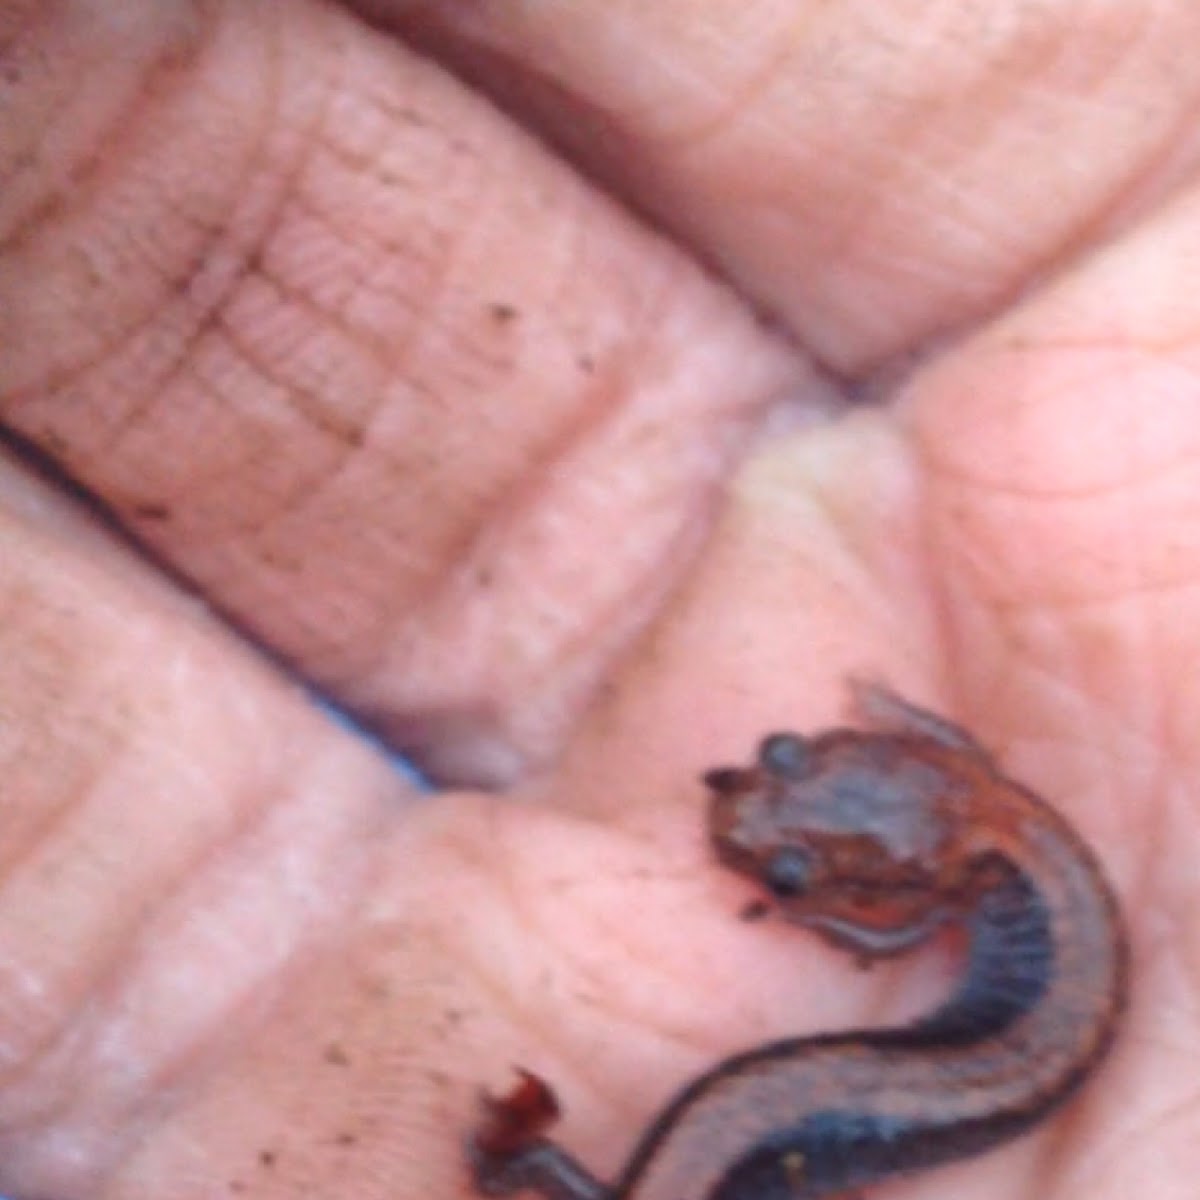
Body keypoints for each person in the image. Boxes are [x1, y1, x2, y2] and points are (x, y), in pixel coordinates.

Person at [0, 1, 1182, 1196]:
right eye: (782, 761)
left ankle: (517, 1163)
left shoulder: (966, 850)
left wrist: (837, 909)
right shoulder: (985, 842)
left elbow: (908, 867)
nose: (740, 805)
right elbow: (941, 783)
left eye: (783, 875)